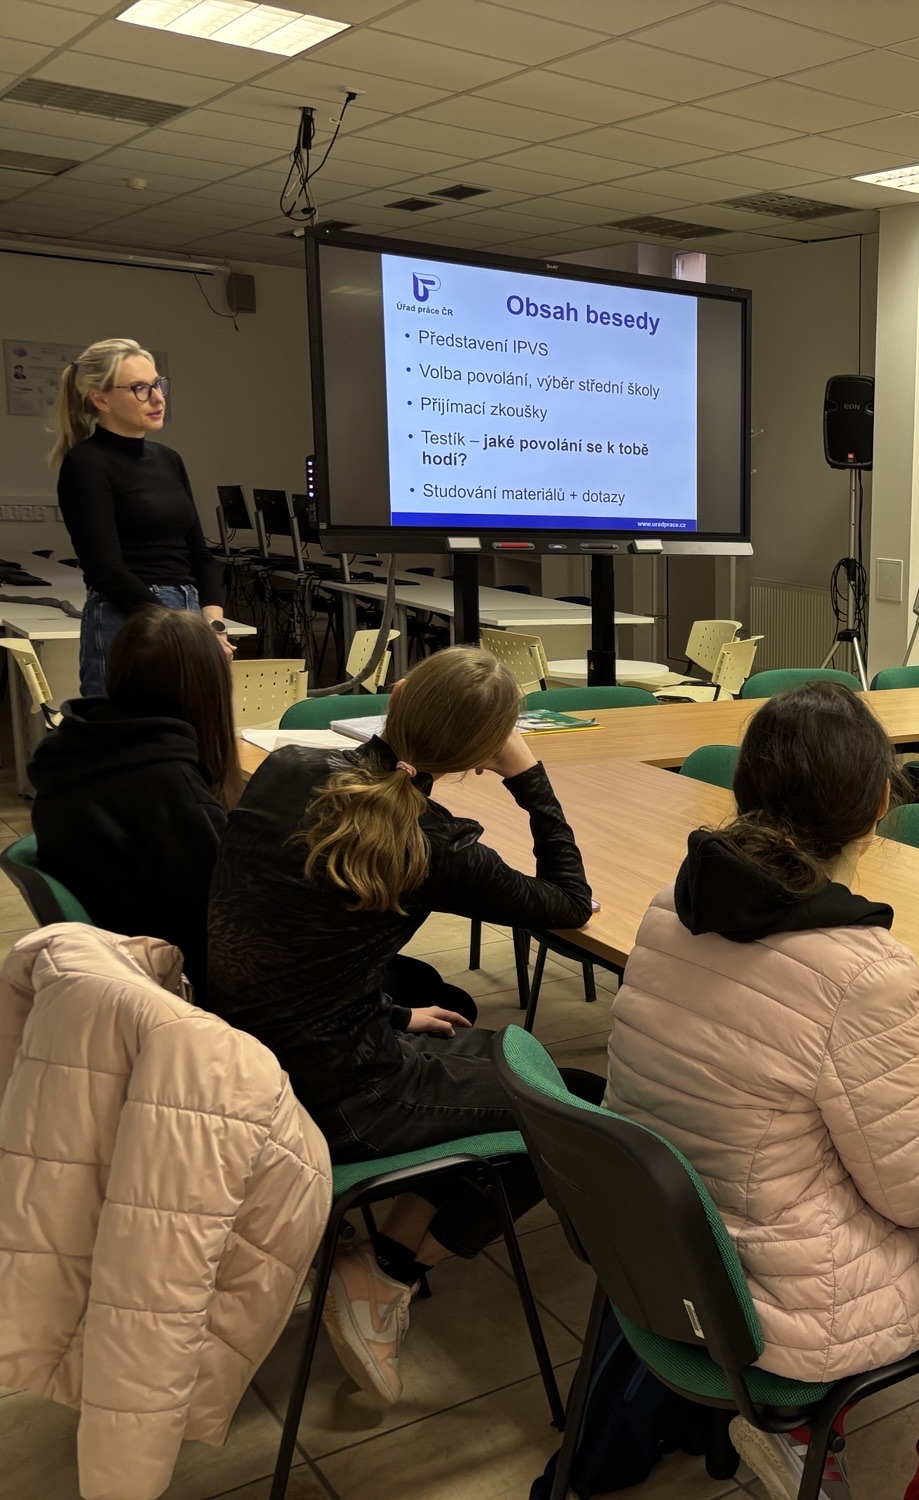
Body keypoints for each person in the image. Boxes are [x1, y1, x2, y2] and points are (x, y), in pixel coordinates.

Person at [606, 682, 919, 1500]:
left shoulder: (668, 907)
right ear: (879, 807)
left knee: (808, 1155)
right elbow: (915, 1198)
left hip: (668, 1251)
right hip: (785, 1300)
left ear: (744, 788)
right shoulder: (862, 972)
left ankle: (806, 1443)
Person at [205, 646, 595, 1406]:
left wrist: (389, 1011)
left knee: (492, 1049)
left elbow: (276, 942)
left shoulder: (287, 770)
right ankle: (388, 1272)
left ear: (400, 697)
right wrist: (526, 773)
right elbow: (570, 901)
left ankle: (380, 1255)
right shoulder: (434, 844)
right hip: (343, 1091)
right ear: (480, 754)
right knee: (573, 1105)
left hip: (253, 1060)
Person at [28, 607, 241, 993]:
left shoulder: (72, 750)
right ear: (209, 689)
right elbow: (223, 937)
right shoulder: (174, 794)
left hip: (110, 968)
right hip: (170, 989)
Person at [49, 338, 231, 696]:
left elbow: (199, 553)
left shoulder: (169, 459)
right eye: (140, 388)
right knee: (127, 728)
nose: (158, 398)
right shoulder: (86, 464)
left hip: (185, 613)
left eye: (158, 384)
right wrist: (178, 628)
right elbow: (105, 570)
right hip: (128, 617)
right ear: (101, 400)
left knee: (187, 724)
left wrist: (213, 625)